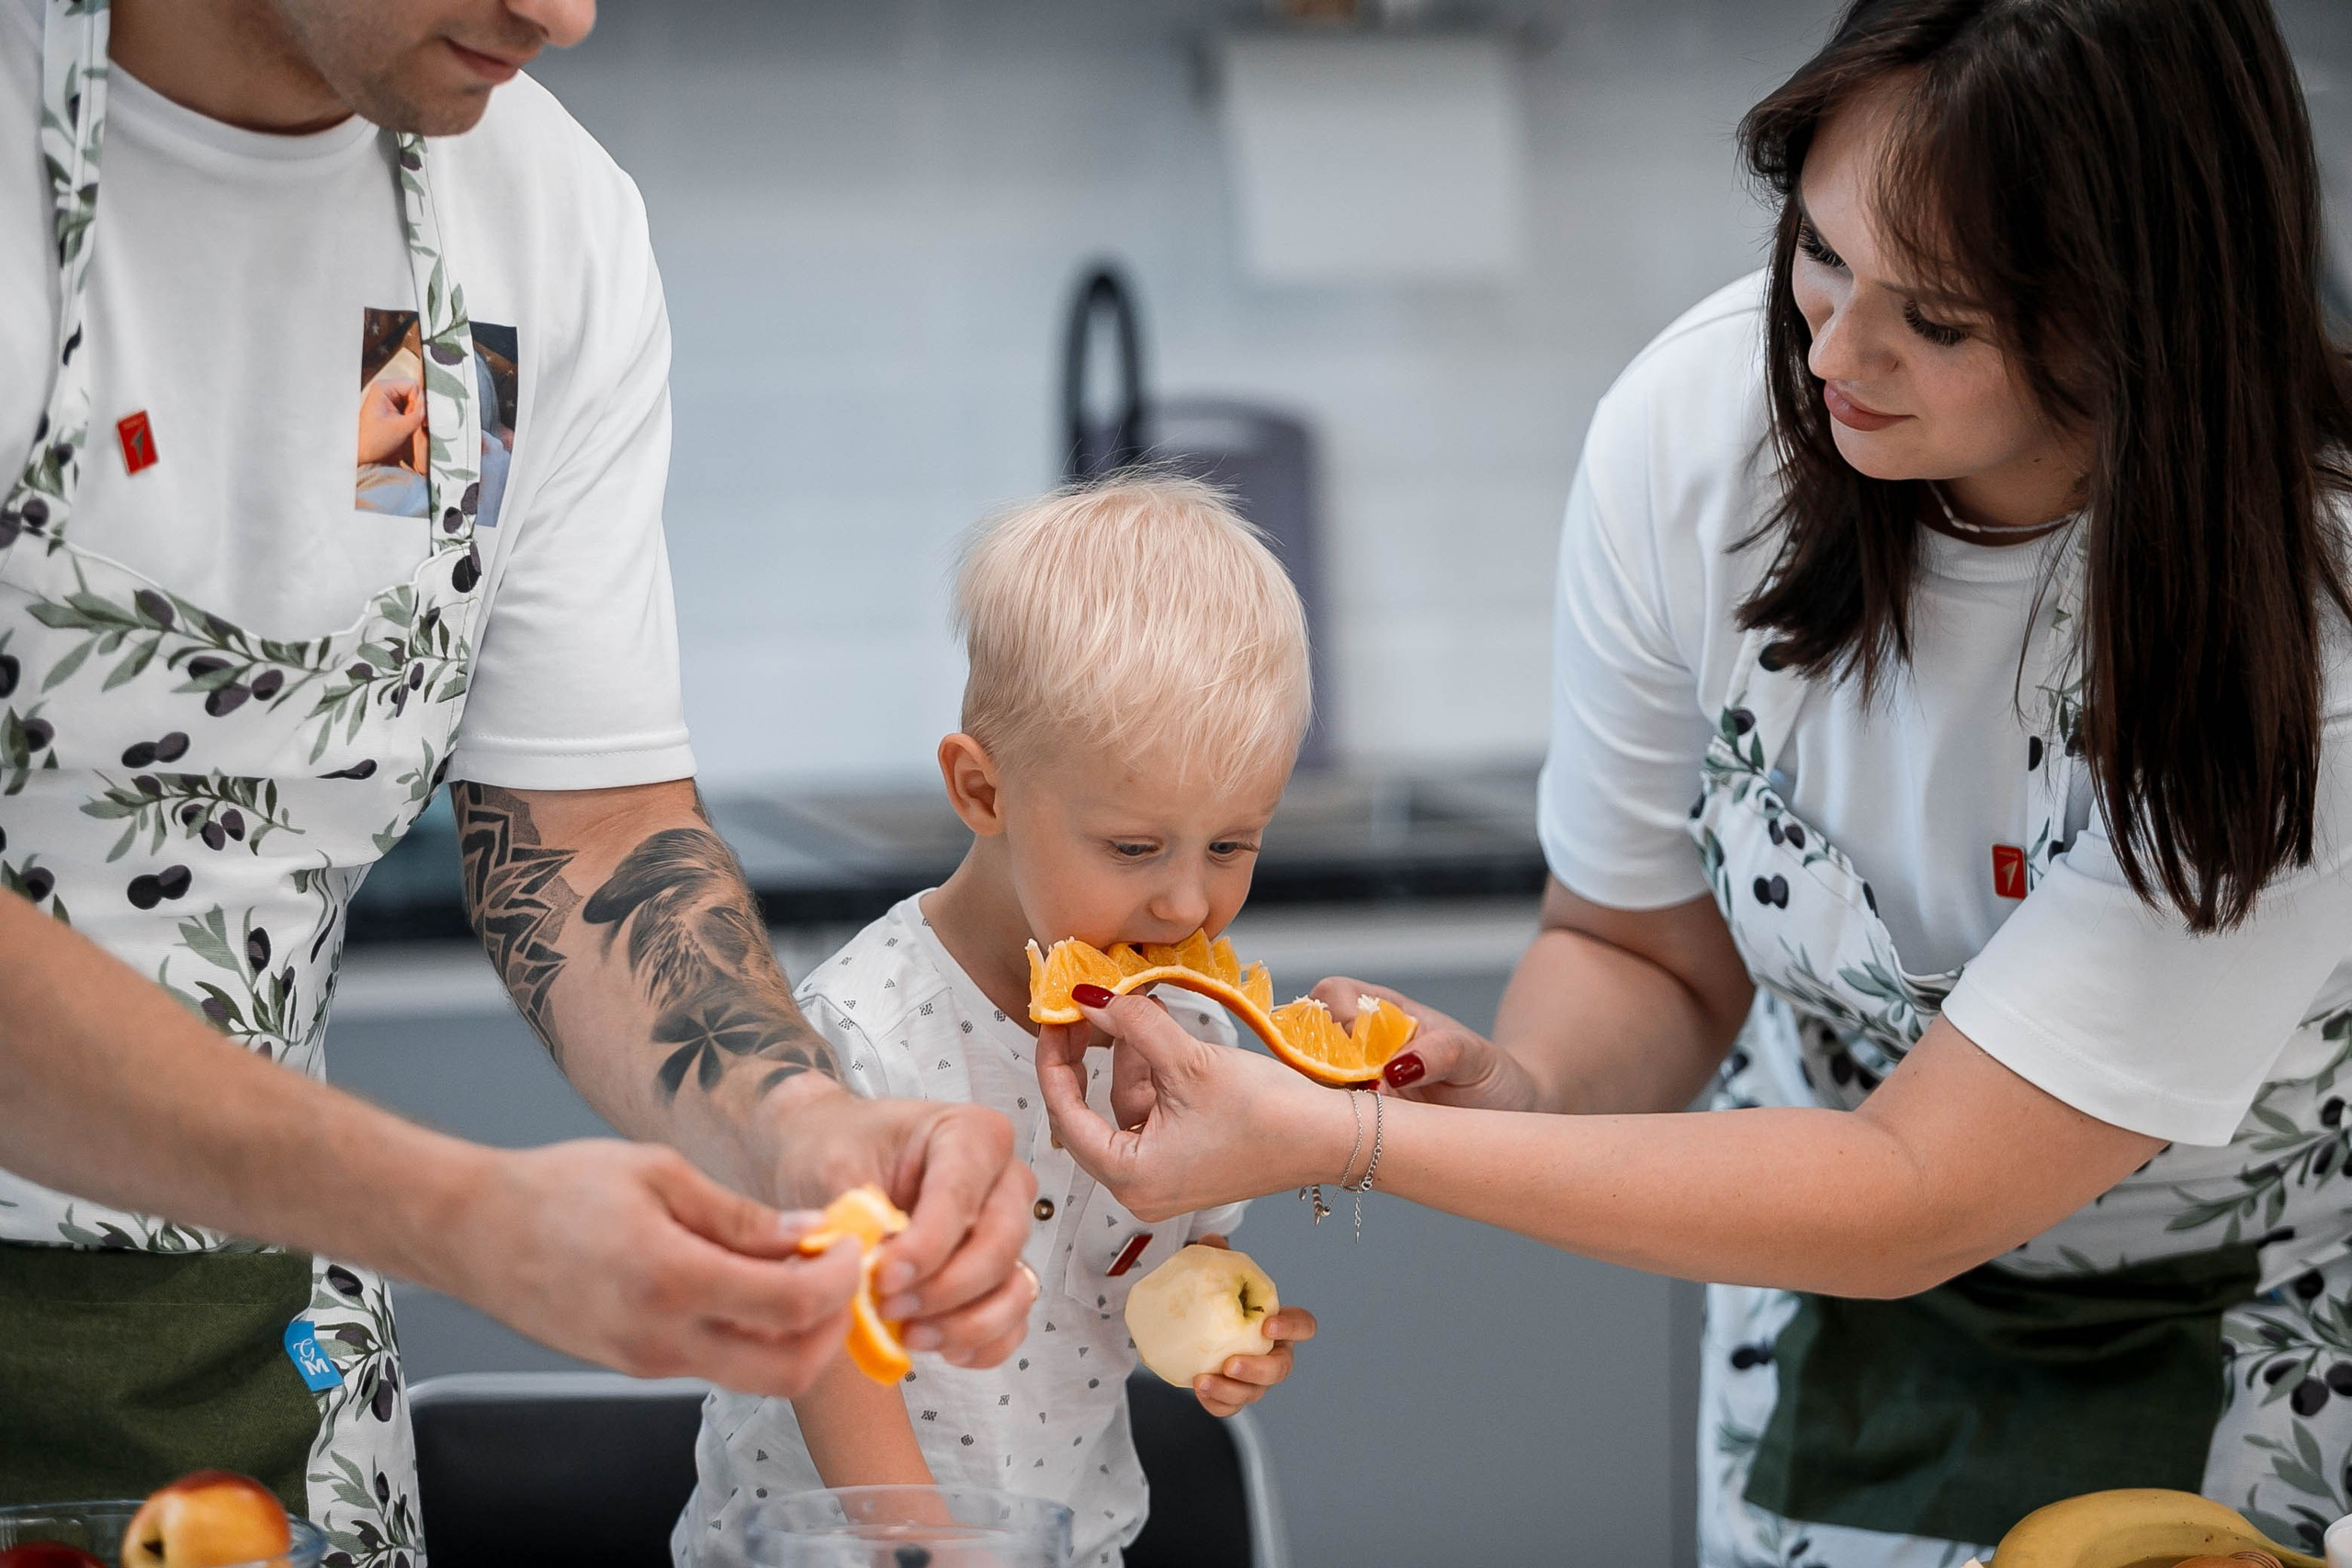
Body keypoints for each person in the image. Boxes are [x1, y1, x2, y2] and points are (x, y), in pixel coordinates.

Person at [1036, 1, 2352, 1562]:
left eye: (1938, 321)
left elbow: (1920, 1183)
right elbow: (1644, 941)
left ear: (2143, 313)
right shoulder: (1698, 436)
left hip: (2247, 1344)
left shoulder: (2311, 633)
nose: (1833, 351)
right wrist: (1525, 1091)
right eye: (1821, 248)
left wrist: (1349, 1142)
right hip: (1819, 1310)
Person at [0, 0, 1035, 1546]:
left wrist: (792, 1122)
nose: (566, 11)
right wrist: (458, 1214)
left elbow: (592, 828)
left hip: (267, 1365)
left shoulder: (542, 223)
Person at [674, 479, 1319, 1568]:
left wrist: (1228, 1337)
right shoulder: (861, 1032)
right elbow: (823, 1326)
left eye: (1230, 846)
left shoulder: (1192, 1040)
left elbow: (1162, 1275)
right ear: (982, 792)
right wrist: (919, 1542)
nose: (1184, 904)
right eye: (1132, 848)